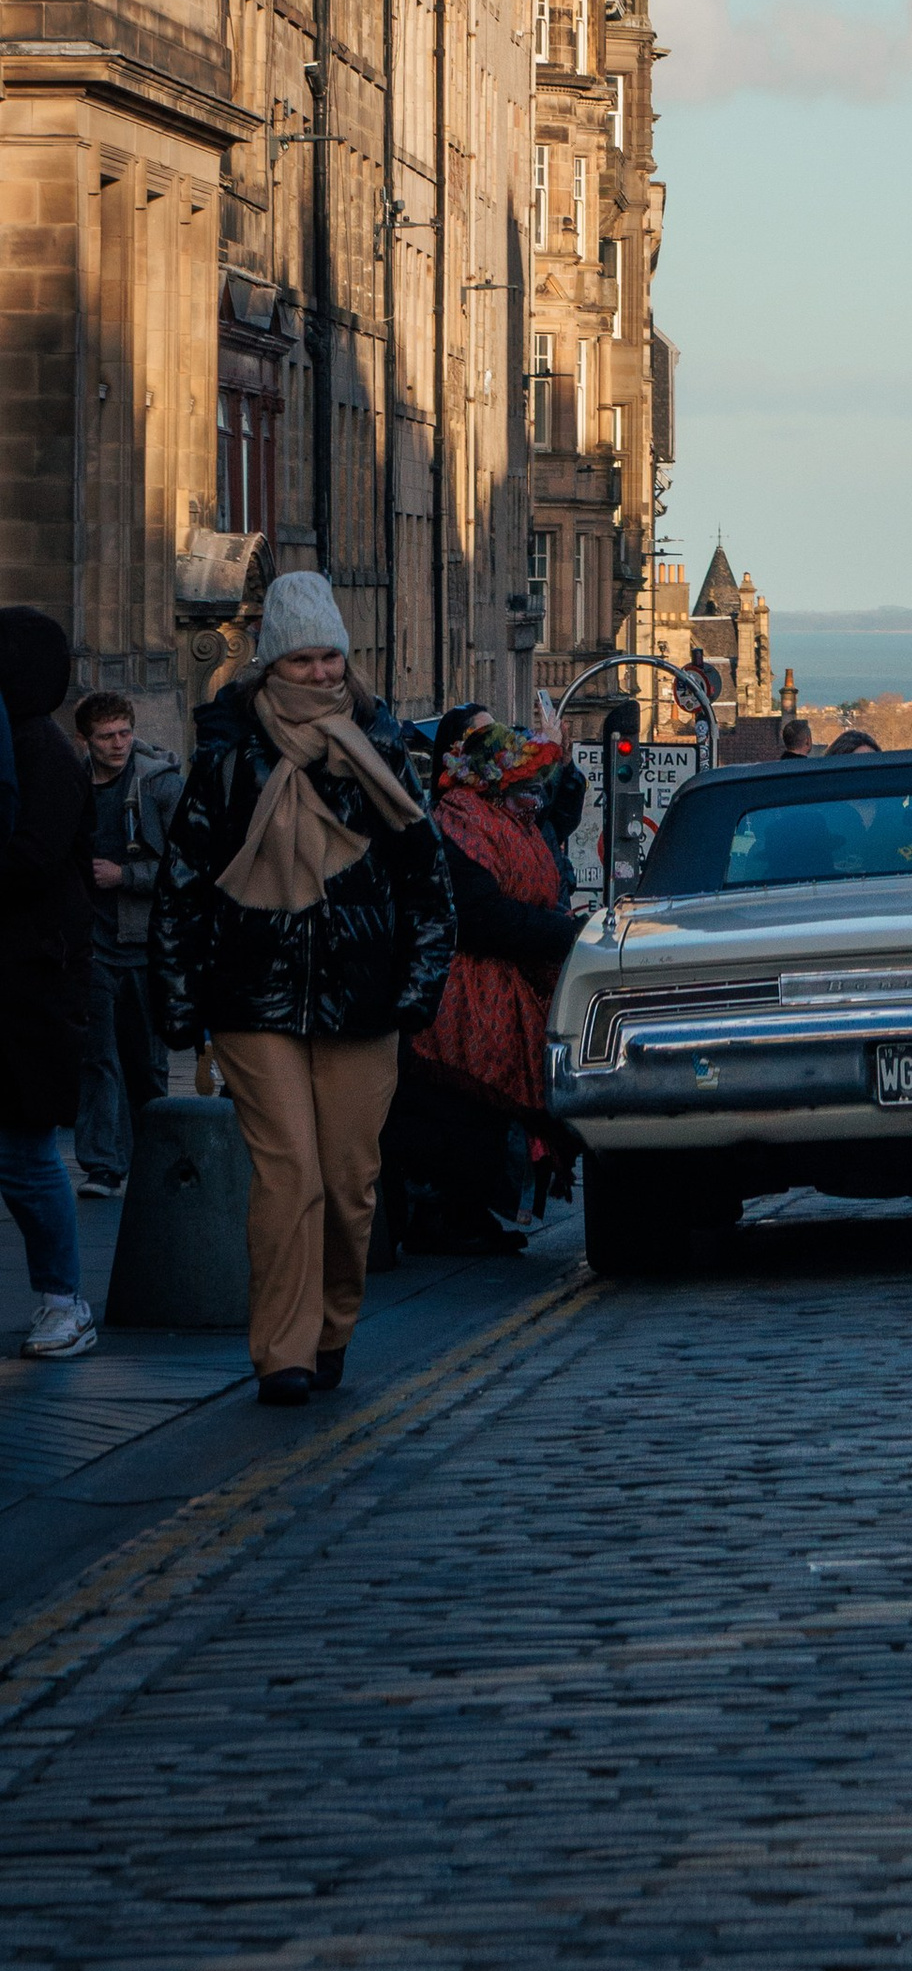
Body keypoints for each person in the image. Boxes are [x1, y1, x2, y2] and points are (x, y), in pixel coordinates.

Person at [150, 573, 456, 1404]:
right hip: (253, 998)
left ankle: (330, 1332)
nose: (321, 672)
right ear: (272, 663)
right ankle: (282, 1352)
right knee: (291, 1175)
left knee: (350, 1184)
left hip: (362, 1000)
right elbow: (183, 884)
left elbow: (428, 882)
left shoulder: (380, 748)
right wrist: (178, 1000)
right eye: (304, 659)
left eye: (331, 657)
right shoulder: (228, 754)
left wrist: (417, 989)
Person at [391, 709, 583, 1253]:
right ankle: (449, 1218)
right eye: (523, 783)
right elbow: (480, 917)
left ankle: (466, 1214)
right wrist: (560, 932)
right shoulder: (460, 826)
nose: (532, 796)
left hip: (500, 979)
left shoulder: (499, 820)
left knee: (479, 1112)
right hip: (460, 994)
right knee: (465, 1105)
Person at [0, 610, 99, 1360]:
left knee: (28, 1156)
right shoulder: (23, 745)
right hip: (24, 981)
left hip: (32, 988)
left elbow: (31, 859)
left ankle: (64, 1300)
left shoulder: (44, 754)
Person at [73, 688, 180, 1197]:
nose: (118, 744)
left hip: (143, 944)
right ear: (86, 740)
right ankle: (102, 1166)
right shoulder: (73, 786)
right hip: (91, 944)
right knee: (97, 1057)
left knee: (147, 1064)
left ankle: (152, 1157)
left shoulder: (159, 785)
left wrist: (127, 876)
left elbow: (188, 866)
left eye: (124, 733)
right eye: (106, 736)